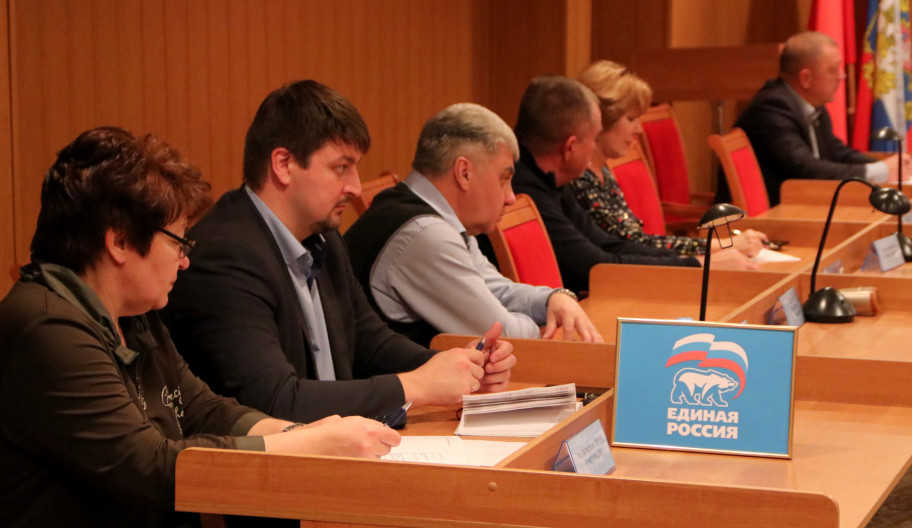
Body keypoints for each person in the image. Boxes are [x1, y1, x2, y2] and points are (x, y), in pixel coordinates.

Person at [0, 127, 400, 528]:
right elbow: (153, 467)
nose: (185, 260)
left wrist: (304, 433)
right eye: (178, 242)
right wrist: (309, 442)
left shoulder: (133, 312)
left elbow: (200, 409)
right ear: (119, 242)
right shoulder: (46, 328)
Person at [163, 80, 515, 424]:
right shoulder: (226, 256)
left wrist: (460, 367)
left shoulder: (324, 238)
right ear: (283, 164)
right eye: (341, 168)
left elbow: (368, 343)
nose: (356, 187)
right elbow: (274, 399)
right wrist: (417, 385)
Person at [344, 103, 603, 346]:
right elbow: (504, 336)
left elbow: (498, 290)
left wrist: (552, 299)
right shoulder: (425, 235)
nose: (511, 197)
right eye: (504, 179)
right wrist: (551, 325)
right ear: (464, 173)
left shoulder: (438, 218)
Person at [510, 74, 700, 294]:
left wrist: (694, 262)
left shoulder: (549, 178)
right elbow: (594, 268)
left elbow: (608, 244)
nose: (594, 148)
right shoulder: (526, 192)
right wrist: (694, 265)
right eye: (593, 138)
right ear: (570, 147)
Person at [571, 60, 766, 266]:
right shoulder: (579, 179)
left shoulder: (602, 171)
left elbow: (638, 243)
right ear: (601, 120)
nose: (639, 130)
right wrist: (721, 247)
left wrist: (722, 246)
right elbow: (629, 248)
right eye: (631, 119)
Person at [718, 30, 912, 206]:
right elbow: (807, 170)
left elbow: (836, 152)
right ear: (805, 78)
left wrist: (890, 166)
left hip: (801, 205)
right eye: (833, 70)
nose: (842, 76)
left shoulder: (813, 105)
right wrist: (882, 170)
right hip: (770, 216)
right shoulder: (771, 109)